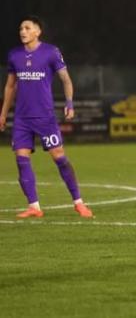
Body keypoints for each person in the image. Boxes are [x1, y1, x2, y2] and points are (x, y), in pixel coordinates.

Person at [0, 16, 93, 218]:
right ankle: (34, 206)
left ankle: (78, 202)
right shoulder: (14, 55)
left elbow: (66, 80)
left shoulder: (51, 52)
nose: (22, 31)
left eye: (27, 27)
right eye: (20, 28)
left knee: (59, 157)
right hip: (22, 119)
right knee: (21, 159)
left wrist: (69, 103)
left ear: (37, 31)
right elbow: (9, 86)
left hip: (45, 117)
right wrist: (3, 113)